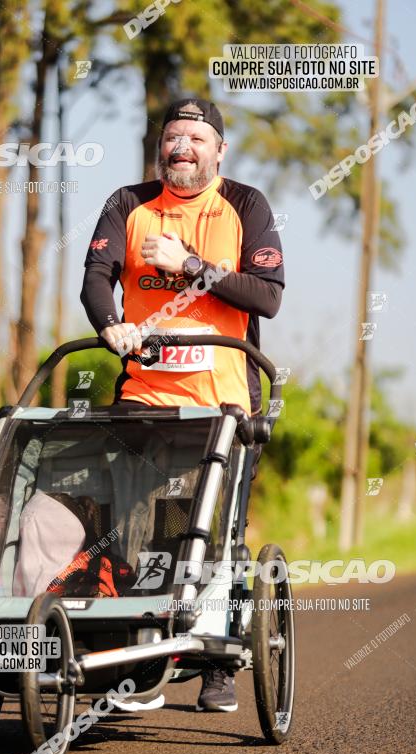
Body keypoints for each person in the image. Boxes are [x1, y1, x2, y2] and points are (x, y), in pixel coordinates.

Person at [80, 97, 285, 713]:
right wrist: (110, 323)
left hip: (223, 402)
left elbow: (267, 297)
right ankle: (133, 653)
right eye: (174, 136)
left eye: (197, 138)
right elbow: (95, 276)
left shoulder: (245, 205)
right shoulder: (127, 203)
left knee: (215, 533)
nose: (183, 147)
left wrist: (192, 266)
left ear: (219, 149)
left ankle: (214, 663)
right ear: (160, 146)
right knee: (124, 526)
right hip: (144, 397)